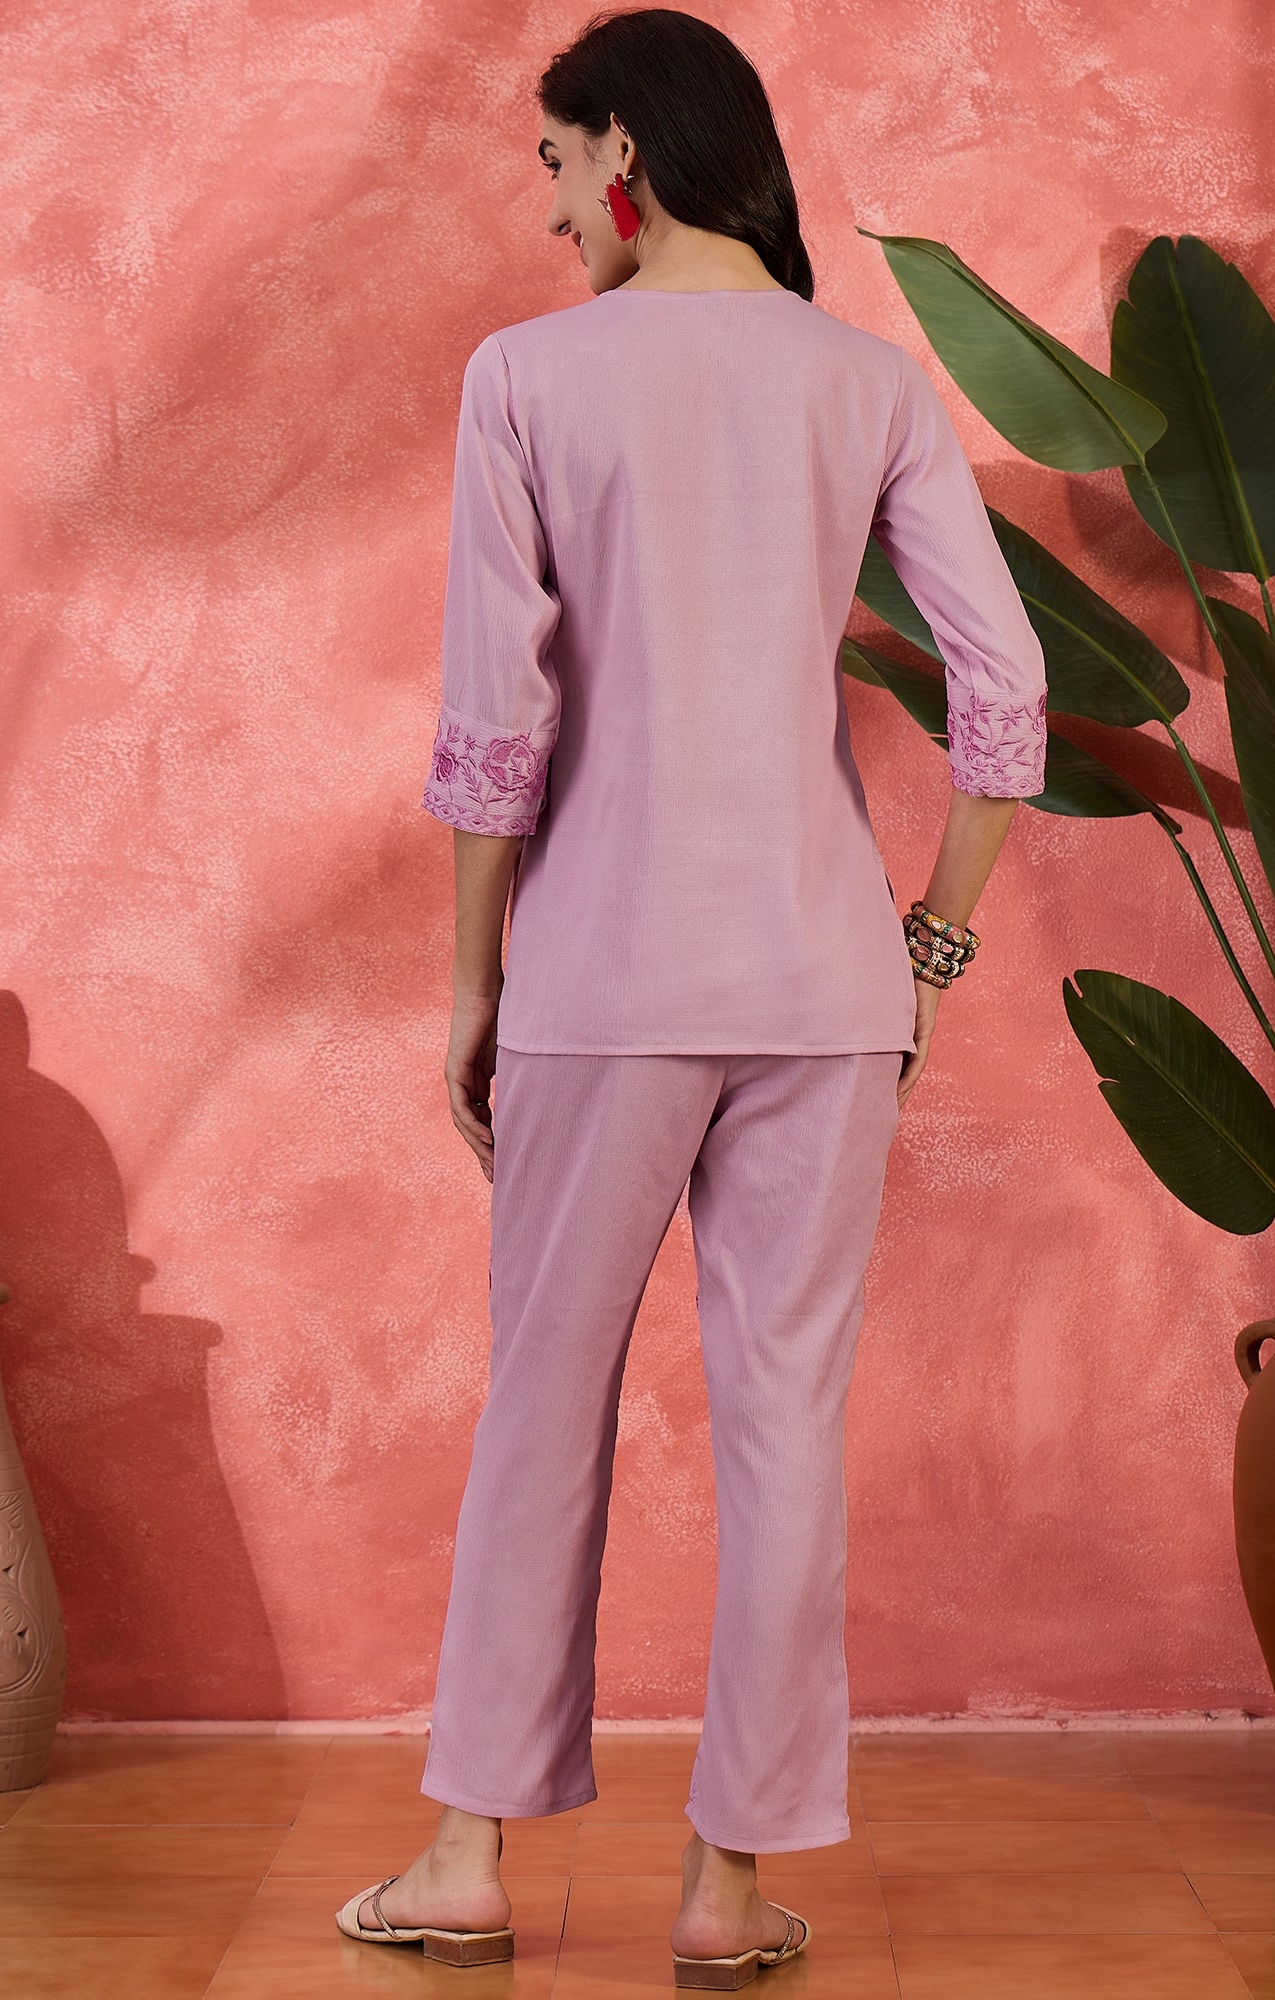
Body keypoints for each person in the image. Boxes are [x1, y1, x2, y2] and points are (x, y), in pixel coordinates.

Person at [337, 5, 1047, 1982]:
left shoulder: (526, 379)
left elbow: (497, 725)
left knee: (541, 1406)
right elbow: (1006, 699)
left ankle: (466, 1859)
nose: (550, 209)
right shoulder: (867, 380)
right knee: (787, 1422)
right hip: (825, 987)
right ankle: (728, 1893)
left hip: (601, 975)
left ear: (627, 153)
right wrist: (930, 947)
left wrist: (469, 982)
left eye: (557, 165)